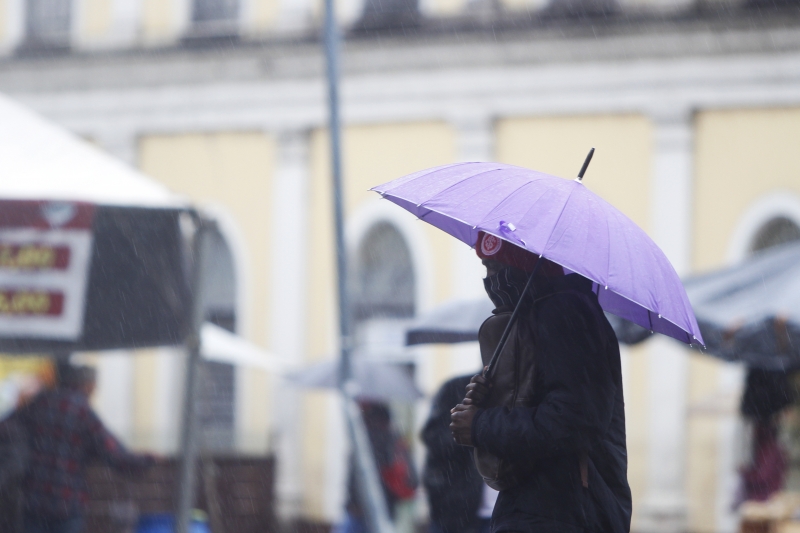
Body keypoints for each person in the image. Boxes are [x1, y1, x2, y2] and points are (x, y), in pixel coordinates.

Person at [450, 232, 631, 533]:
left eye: (497, 267)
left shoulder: (566, 311)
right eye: (486, 269)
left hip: (563, 512)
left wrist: (481, 424)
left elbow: (572, 421)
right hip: (542, 509)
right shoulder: (540, 312)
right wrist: (487, 398)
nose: (492, 280)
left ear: (523, 264)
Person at [6, 363, 155, 533]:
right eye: (94, 385)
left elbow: (6, 426)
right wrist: (148, 460)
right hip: (67, 504)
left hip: (34, 502)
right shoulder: (82, 411)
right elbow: (114, 454)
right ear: (87, 385)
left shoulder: (40, 402)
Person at [422, 374, 491, 533]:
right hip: (458, 513)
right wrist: (475, 429)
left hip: (509, 514)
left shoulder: (530, 390)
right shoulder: (458, 387)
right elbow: (435, 437)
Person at [338, 401, 417, 533]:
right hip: (385, 511)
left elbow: (359, 478)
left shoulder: (367, 439)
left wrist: (352, 503)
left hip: (360, 511)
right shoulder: (395, 440)